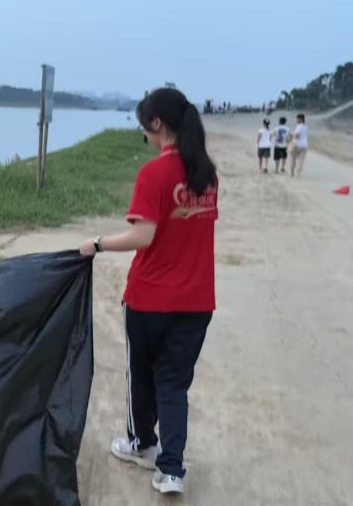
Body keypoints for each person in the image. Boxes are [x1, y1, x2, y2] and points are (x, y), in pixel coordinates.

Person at [79, 88, 218, 495]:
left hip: (150, 299)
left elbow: (144, 235)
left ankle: (141, 443)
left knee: (140, 377)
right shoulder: (207, 175)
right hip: (197, 300)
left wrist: (97, 244)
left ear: (157, 124)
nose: (144, 135)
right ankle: (171, 470)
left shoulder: (154, 173)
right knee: (174, 384)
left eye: (145, 127)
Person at [291, 113, 308, 177]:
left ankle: (292, 172)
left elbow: (297, 136)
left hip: (297, 145)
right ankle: (298, 174)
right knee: (301, 160)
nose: (296, 120)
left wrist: (292, 137)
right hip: (304, 145)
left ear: (300, 119)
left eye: (297, 119)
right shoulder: (305, 127)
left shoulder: (299, 127)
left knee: (293, 158)